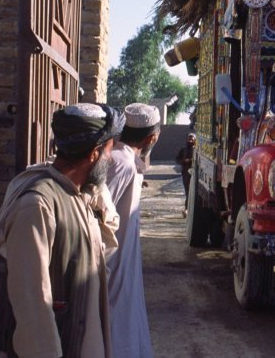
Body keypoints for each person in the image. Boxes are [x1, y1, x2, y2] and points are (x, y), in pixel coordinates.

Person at [0, 103, 125, 358]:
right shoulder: (36, 205)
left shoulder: (80, 194)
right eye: (109, 151)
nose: (110, 159)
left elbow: (103, 245)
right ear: (94, 154)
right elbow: (32, 302)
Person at [106, 103, 160, 358]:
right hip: (111, 262)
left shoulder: (127, 159)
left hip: (123, 260)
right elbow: (97, 214)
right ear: (152, 137)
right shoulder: (120, 162)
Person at [176, 132, 196, 215]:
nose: (190, 140)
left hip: (194, 173)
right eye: (189, 139)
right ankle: (187, 208)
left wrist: (191, 160)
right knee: (188, 191)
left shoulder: (197, 149)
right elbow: (177, 159)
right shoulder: (183, 149)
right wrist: (183, 161)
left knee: (193, 192)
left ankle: (190, 209)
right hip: (185, 173)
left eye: (192, 139)